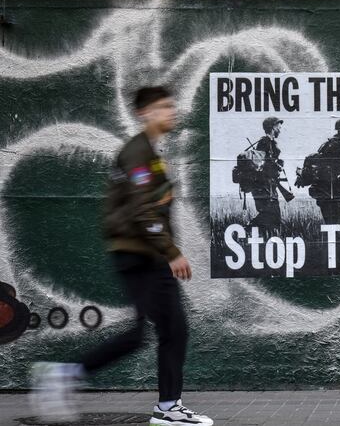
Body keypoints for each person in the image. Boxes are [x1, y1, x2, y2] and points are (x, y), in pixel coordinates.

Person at [29, 87, 213, 426]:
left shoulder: (149, 153)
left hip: (142, 253)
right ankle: (68, 377)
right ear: (144, 113)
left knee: (165, 330)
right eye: (162, 107)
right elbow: (142, 210)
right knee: (162, 331)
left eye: (171, 105)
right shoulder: (137, 152)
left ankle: (166, 406)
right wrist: (171, 252)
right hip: (141, 254)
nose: (171, 111)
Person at [309, 118, 340, 224]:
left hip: (322, 191)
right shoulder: (339, 145)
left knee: (331, 223)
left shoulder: (326, 144)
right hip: (330, 193)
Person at [250, 116, 287, 234]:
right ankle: (248, 230)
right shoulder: (265, 142)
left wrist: (277, 164)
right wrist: (275, 165)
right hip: (264, 186)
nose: (280, 130)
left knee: (274, 217)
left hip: (270, 185)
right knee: (269, 214)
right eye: (279, 127)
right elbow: (262, 165)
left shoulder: (269, 142)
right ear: (273, 127)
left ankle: (261, 236)